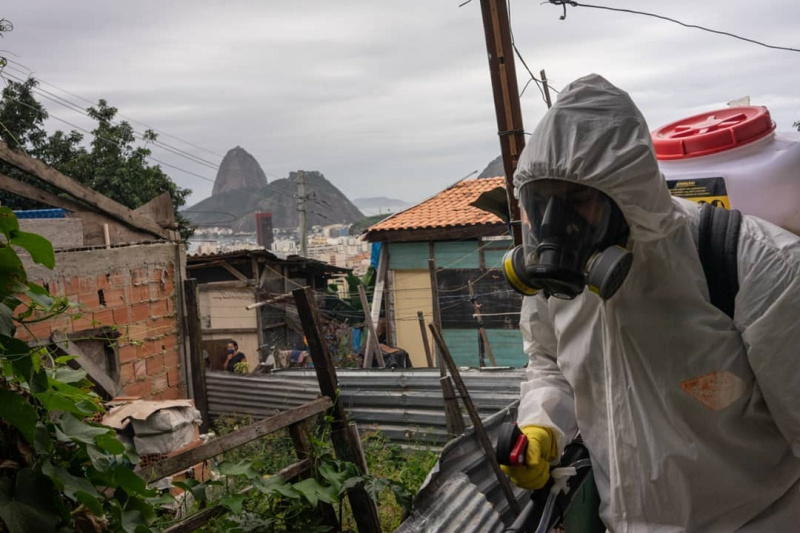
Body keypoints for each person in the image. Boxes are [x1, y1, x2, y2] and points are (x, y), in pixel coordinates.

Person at [501, 74, 800, 530]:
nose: (558, 224)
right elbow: (549, 361)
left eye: (579, 199)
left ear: (630, 195)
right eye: (543, 201)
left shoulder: (757, 266)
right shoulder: (559, 284)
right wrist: (543, 423)